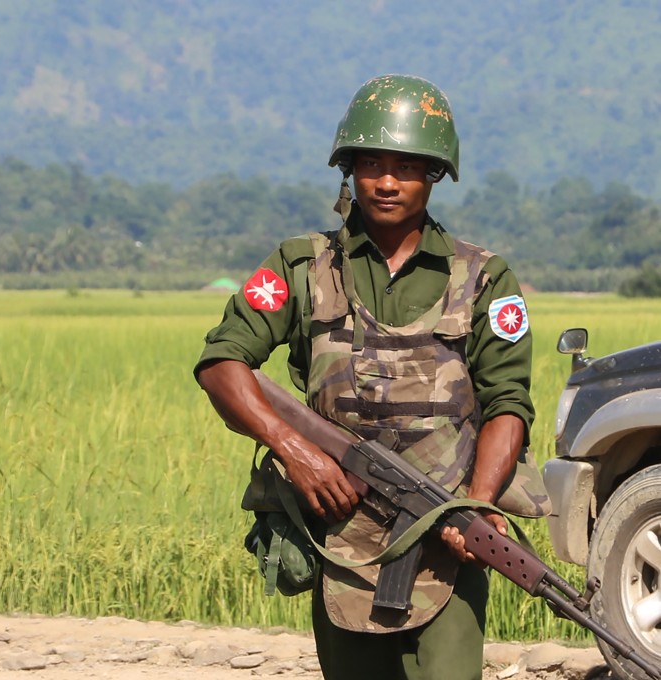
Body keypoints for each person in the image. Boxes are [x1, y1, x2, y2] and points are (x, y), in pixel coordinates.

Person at [193, 75, 549, 680]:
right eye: (372, 163)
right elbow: (223, 364)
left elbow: (508, 402)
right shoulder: (301, 266)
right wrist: (296, 451)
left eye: (407, 166)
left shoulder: (485, 278)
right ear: (348, 169)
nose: (386, 181)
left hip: (444, 542)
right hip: (341, 539)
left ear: (435, 173)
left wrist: (477, 505)